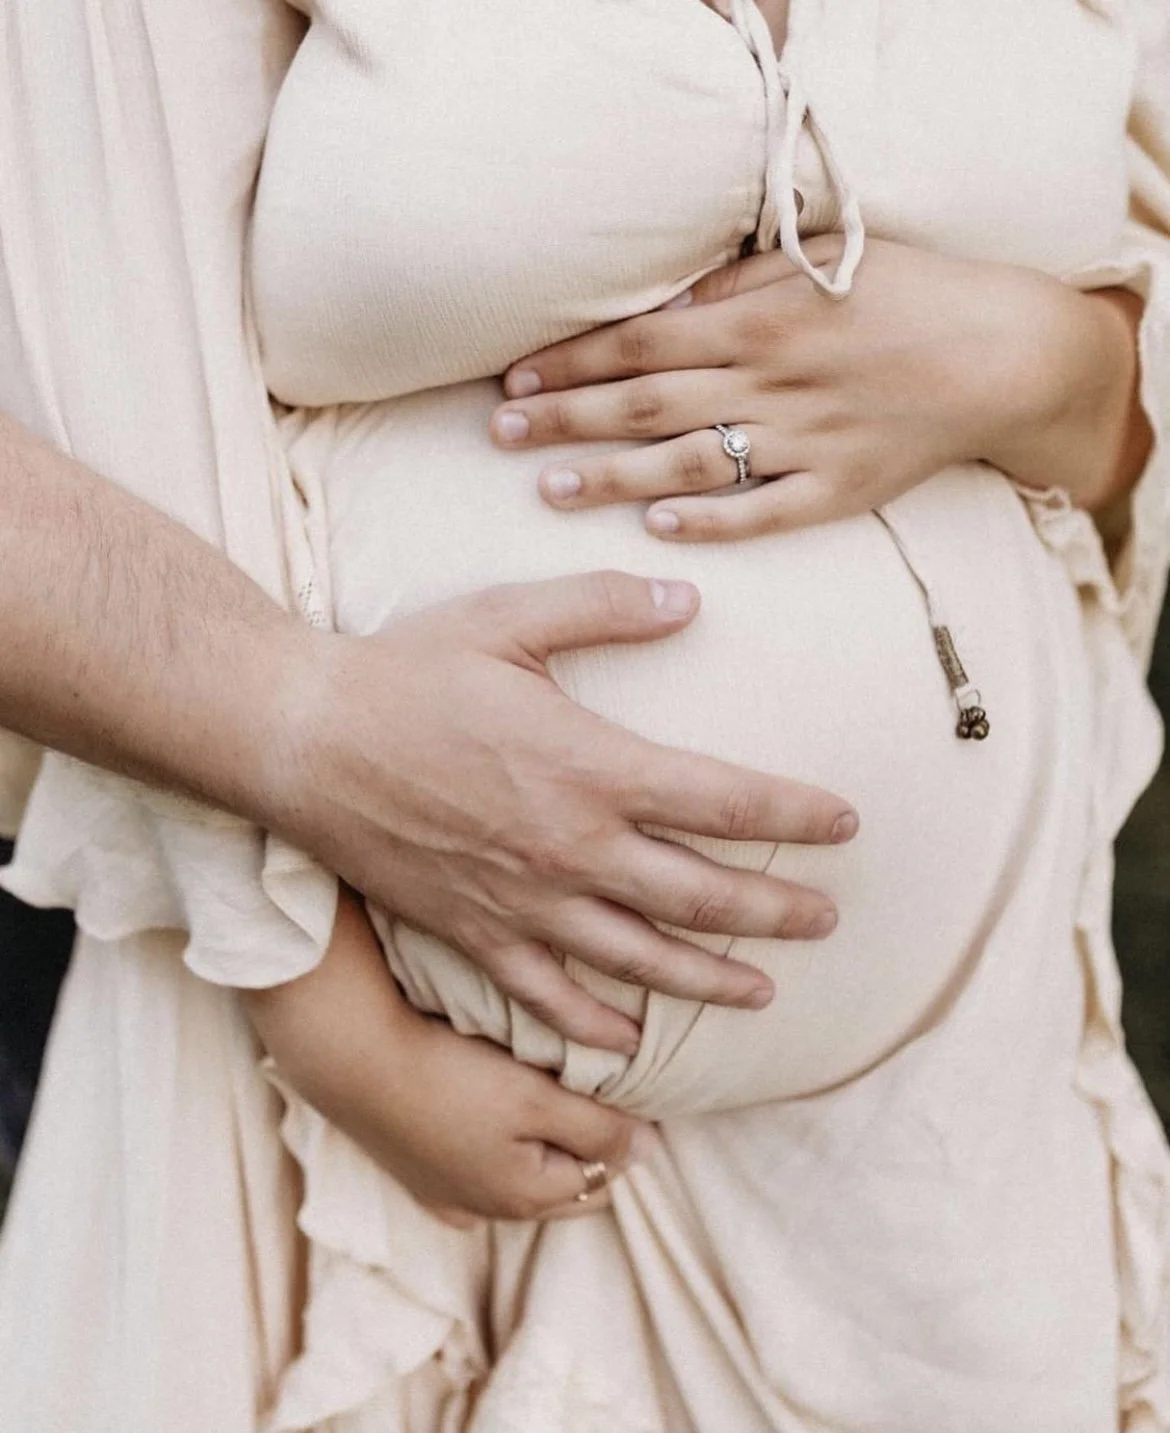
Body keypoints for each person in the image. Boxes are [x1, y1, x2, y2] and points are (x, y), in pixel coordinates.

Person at [1, 1, 1168, 1430]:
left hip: (950, 1134)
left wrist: (1053, 364)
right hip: (370, 1135)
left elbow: (1130, 374)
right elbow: (101, 367)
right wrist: (313, 990)